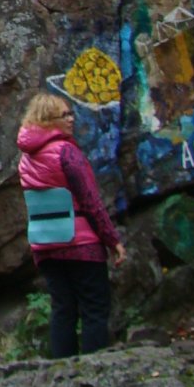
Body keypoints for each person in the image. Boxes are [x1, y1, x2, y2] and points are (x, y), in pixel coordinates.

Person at [17, 90, 126, 358]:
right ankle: (93, 370)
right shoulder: (67, 152)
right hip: (81, 244)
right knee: (94, 308)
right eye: (64, 114)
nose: (71, 119)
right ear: (48, 119)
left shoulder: (26, 159)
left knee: (63, 308)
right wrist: (113, 240)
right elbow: (91, 201)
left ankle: (62, 374)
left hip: (45, 244)